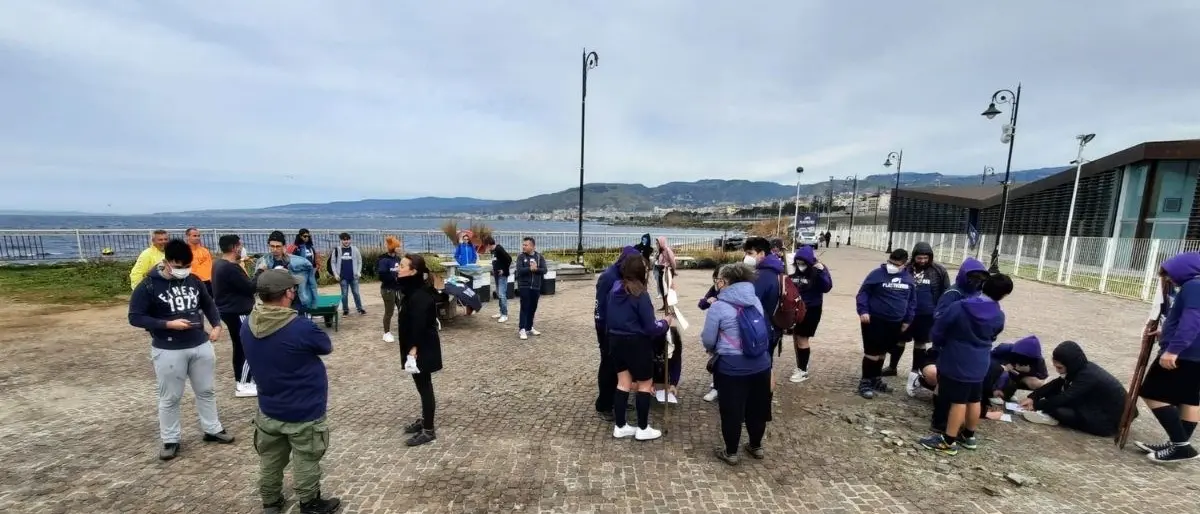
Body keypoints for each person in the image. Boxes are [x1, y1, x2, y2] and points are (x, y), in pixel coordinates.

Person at [239, 269, 340, 514]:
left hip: (269, 407)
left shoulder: (248, 324)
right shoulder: (299, 327)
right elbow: (325, 346)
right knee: (306, 457)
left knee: (271, 459)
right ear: (287, 293)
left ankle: (271, 502)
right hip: (303, 407)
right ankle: (309, 502)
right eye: (292, 289)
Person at [127, 238, 233, 460]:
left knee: (206, 390)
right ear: (166, 262)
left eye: (187, 266)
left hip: (200, 344)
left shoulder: (194, 281)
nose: (184, 270)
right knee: (170, 396)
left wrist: (216, 325)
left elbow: (208, 304)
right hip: (169, 348)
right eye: (179, 266)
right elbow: (135, 317)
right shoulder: (148, 285)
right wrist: (167, 324)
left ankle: (212, 429)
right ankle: (170, 439)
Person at [918, 273, 1013, 456]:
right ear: (1003, 295)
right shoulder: (998, 315)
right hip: (980, 360)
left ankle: (948, 440)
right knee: (974, 398)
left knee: (958, 400)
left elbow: (939, 328)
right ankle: (969, 435)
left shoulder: (960, 306)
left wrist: (941, 344)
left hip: (957, 356)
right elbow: (994, 334)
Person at [702, 263, 773, 465]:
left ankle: (731, 452)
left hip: (731, 367)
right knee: (757, 407)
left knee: (732, 410)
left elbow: (708, 339)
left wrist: (715, 348)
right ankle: (756, 446)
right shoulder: (755, 302)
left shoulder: (718, 307)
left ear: (724, 282)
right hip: (761, 364)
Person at [1134, 253, 1200, 463]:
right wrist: (1166, 333)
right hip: (1194, 353)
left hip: (1185, 353)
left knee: (1151, 392)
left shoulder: (1193, 286)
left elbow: (1193, 320)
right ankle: (1178, 444)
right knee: (1189, 398)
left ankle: (1180, 445)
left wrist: (1173, 349)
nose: (1169, 280)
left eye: (1170, 275)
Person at [606, 255, 672, 441]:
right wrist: (665, 323)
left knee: (623, 383)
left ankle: (620, 425)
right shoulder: (640, 294)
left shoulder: (614, 289)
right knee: (644, 384)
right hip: (637, 343)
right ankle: (643, 428)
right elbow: (651, 327)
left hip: (616, 340)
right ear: (643, 272)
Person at [1018, 341, 1127, 437]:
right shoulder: (1081, 367)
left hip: (1107, 420)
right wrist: (1033, 397)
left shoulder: (1088, 376)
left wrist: (1037, 406)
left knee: (1057, 409)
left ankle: (1050, 416)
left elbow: (1066, 397)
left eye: (1059, 368)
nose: (1057, 371)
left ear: (1070, 364)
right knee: (1052, 396)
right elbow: (1057, 383)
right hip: (1095, 405)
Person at [394, 254, 444, 447]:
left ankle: (429, 430)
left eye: (403, 266)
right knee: (422, 386)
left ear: (413, 271)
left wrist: (413, 350)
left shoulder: (420, 294)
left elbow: (420, 325)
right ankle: (425, 420)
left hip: (422, 348)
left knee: (425, 388)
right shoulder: (410, 289)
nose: (399, 268)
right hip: (415, 346)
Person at [855, 249, 916, 399]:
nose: (892, 266)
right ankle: (865, 381)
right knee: (872, 353)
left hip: (895, 322)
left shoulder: (908, 279)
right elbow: (863, 293)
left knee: (882, 352)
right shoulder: (876, 274)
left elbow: (912, 301)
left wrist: (908, 320)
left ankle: (875, 378)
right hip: (874, 320)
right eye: (890, 262)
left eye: (896, 264)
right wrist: (863, 311)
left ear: (904, 264)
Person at [892, 242, 950, 396]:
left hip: (927, 314)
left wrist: (941, 312)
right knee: (899, 340)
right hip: (905, 313)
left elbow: (946, 292)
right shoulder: (906, 268)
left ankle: (916, 369)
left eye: (926, 258)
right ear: (914, 256)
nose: (922, 261)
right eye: (919, 257)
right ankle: (892, 367)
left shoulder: (939, 271)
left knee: (920, 343)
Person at [594, 246, 642, 421]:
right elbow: (600, 307)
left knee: (619, 368)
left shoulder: (623, 275)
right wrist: (604, 330)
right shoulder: (608, 277)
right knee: (608, 367)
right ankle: (604, 404)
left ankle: (616, 399)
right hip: (607, 330)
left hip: (619, 330)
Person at [743, 236, 785, 418]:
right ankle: (764, 408)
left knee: (760, 369)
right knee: (767, 366)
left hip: (762, 330)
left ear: (761, 253)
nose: (747, 257)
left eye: (750, 253)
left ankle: (759, 409)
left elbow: (749, 300)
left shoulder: (763, 275)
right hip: (774, 327)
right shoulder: (777, 269)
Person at [212, 234, 258, 398]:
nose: (242, 248)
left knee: (239, 346)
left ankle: (244, 380)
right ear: (234, 247)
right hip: (238, 311)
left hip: (228, 310)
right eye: (240, 246)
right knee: (247, 346)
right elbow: (250, 287)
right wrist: (260, 272)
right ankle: (244, 383)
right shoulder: (230, 268)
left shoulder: (218, 263)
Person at [787, 246, 832, 384]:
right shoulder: (793, 270)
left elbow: (827, 287)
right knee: (797, 337)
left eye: (803, 263)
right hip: (795, 308)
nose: (800, 265)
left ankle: (803, 370)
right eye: (798, 262)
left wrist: (822, 270)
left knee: (802, 338)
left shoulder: (817, 271)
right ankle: (802, 364)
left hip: (811, 309)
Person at [258, 231, 317, 315]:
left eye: (278, 246)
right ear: (268, 246)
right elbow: (258, 285)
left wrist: (313, 301)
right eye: (272, 246)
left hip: (295, 301)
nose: (275, 249)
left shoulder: (298, 262)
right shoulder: (263, 262)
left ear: (284, 246)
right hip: (274, 303)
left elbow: (311, 282)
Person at [989, 335, 1048, 401]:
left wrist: (1029, 372)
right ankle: (996, 391)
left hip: (1020, 378)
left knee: (1037, 383)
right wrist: (1004, 365)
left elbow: (1043, 376)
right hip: (1001, 373)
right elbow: (988, 357)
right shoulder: (1005, 348)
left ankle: (1009, 392)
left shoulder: (1038, 360)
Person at [515, 237, 547, 340]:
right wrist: (529, 269)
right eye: (523, 245)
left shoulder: (539, 257)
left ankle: (529, 327)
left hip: (536, 286)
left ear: (532, 246)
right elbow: (519, 270)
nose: (523, 246)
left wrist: (536, 269)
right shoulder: (521, 257)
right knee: (524, 307)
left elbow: (544, 270)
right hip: (525, 286)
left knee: (533, 308)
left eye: (526, 245)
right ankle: (522, 329)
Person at [699, 267, 722, 402]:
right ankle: (716, 385)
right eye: (716, 279)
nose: (718, 282)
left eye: (720, 280)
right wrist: (708, 301)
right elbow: (701, 304)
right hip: (715, 328)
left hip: (726, 330)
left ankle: (720, 386)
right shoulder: (714, 288)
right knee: (715, 358)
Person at [329, 233, 365, 316]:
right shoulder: (337, 250)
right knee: (344, 294)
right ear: (341, 240)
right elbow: (333, 262)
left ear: (350, 240)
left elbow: (360, 261)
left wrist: (359, 272)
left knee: (356, 293)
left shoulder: (355, 249)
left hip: (354, 276)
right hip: (342, 277)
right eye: (344, 240)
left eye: (347, 239)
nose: (346, 241)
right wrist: (335, 274)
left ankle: (360, 308)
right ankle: (345, 309)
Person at [377, 236, 403, 343]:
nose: (400, 248)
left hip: (398, 289)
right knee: (389, 312)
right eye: (398, 247)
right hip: (388, 289)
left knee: (402, 309)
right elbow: (382, 276)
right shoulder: (384, 260)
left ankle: (403, 329)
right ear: (393, 248)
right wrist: (395, 278)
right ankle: (386, 333)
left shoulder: (398, 259)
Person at [485, 236, 512, 323]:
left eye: (486, 245)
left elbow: (509, 259)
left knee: (502, 294)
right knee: (499, 293)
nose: (485, 248)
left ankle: (504, 314)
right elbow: (496, 261)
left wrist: (503, 270)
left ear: (489, 244)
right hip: (496, 274)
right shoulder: (492, 251)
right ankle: (501, 312)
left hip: (502, 275)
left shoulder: (499, 249)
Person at [185, 228, 215, 296]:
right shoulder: (184, 251)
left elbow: (210, 266)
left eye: (198, 236)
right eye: (194, 236)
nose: (197, 238)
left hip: (207, 282)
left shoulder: (205, 250)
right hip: (192, 282)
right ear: (187, 237)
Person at [654, 236, 678, 301]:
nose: (656, 244)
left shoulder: (667, 250)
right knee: (662, 288)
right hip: (660, 270)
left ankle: (667, 305)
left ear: (661, 243)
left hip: (667, 271)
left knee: (666, 288)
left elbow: (672, 261)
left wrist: (674, 270)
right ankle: (664, 305)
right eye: (656, 243)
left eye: (657, 243)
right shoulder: (660, 251)